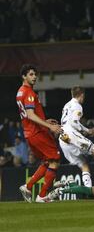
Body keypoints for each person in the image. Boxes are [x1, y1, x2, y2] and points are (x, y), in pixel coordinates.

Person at [16, 64, 63, 203]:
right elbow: (30, 115)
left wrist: (44, 120)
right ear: (24, 76)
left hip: (30, 133)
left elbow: (29, 115)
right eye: (31, 74)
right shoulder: (29, 93)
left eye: (35, 74)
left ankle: (28, 186)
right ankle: (42, 196)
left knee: (48, 161)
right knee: (55, 160)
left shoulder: (20, 92)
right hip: (37, 133)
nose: (34, 77)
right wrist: (49, 126)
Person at [59, 86, 94, 187]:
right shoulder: (77, 106)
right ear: (82, 95)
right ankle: (79, 185)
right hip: (71, 134)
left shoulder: (66, 105)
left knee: (83, 164)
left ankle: (87, 188)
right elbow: (74, 122)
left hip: (62, 137)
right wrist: (88, 130)